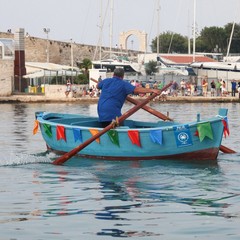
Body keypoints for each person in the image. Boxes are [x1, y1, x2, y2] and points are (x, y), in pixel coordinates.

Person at [96, 68, 161, 128]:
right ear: (123, 76)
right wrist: (152, 90)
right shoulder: (123, 84)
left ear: (113, 74)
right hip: (112, 113)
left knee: (107, 125)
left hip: (101, 112)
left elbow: (97, 86)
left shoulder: (106, 81)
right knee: (119, 126)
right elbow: (137, 90)